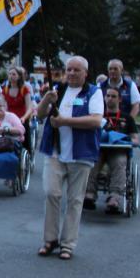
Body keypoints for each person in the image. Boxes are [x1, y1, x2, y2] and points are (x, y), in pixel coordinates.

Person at [36, 56, 103, 261]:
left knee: (75, 200)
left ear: (85, 73)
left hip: (80, 154)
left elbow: (95, 120)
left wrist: (65, 121)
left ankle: (68, 243)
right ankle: (50, 239)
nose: (72, 73)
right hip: (55, 151)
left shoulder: (93, 92)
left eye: (76, 70)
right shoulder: (58, 90)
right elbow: (39, 116)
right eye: (69, 70)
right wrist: (47, 100)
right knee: (51, 193)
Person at [84, 87, 140, 213]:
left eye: (113, 96)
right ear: (104, 98)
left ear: (119, 99)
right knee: (92, 161)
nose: (110, 98)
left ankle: (115, 198)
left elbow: (136, 139)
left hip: (118, 150)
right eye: (108, 96)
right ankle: (89, 193)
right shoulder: (98, 116)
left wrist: (126, 141)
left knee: (120, 162)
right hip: (99, 148)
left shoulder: (127, 118)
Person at [3, 66, 35, 151]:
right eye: (9, 74)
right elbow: (3, 106)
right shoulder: (5, 90)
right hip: (10, 119)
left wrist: (24, 118)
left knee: (25, 143)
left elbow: (29, 108)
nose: (11, 76)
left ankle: (29, 155)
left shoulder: (24, 89)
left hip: (22, 118)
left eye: (13, 74)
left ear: (19, 76)